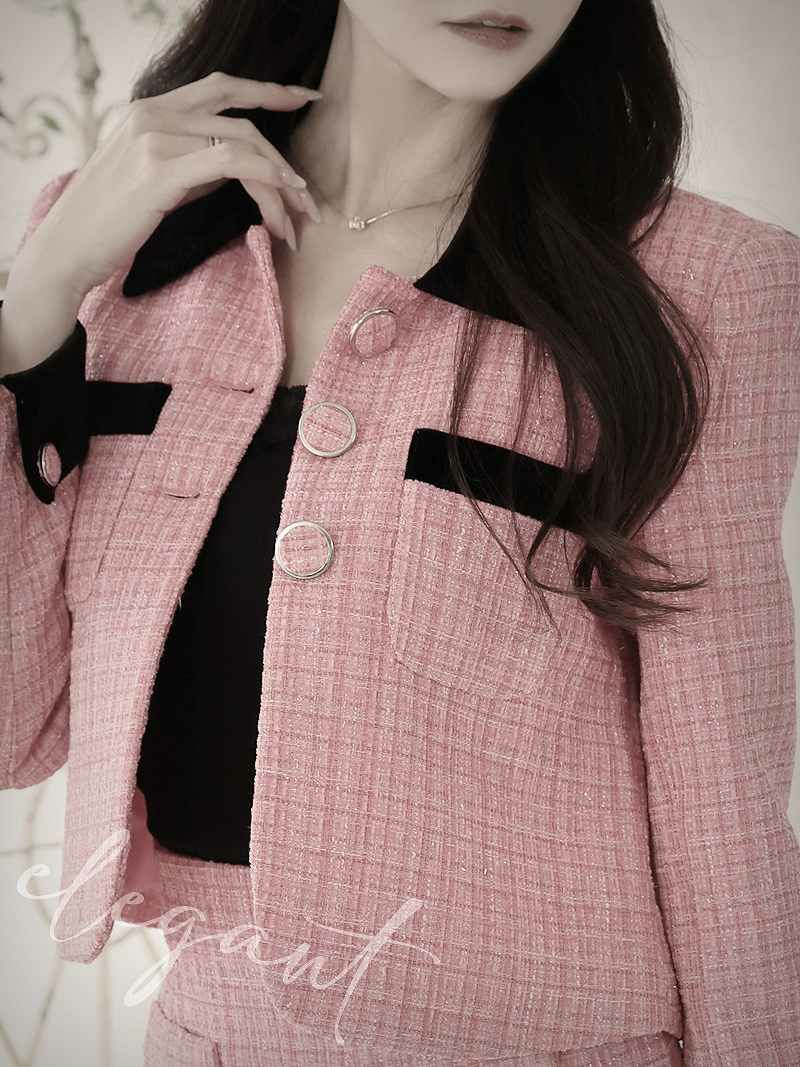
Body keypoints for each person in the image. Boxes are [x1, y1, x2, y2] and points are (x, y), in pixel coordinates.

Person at [1, 1, 799, 1064]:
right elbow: (15, 730)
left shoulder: (703, 282)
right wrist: (36, 300)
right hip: (204, 1031)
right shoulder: (120, 245)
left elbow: (720, 797)